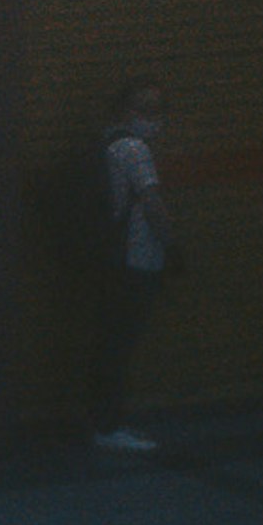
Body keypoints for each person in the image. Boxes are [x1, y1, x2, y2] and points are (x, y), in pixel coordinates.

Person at [89, 80, 176, 453]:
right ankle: (109, 425)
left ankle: (102, 420)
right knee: (120, 344)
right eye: (148, 110)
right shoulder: (135, 149)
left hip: (108, 259)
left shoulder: (105, 142)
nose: (154, 119)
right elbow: (152, 202)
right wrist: (173, 245)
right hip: (134, 258)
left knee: (108, 341)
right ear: (127, 110)